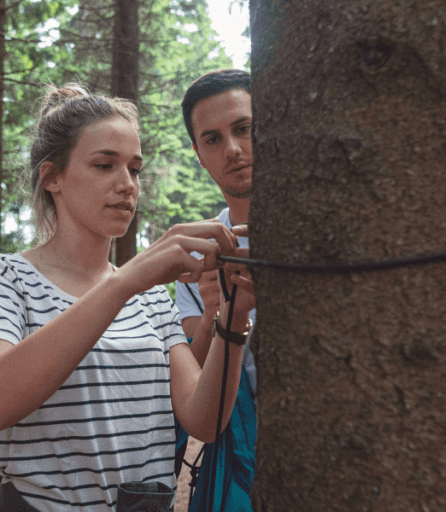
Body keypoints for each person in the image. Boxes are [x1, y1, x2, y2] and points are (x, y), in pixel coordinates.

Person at [0, 84, 255, 512]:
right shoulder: (6, 277)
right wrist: (124, 281)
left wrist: (232, 317)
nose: (127, 184)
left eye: (135, 168)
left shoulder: (150, 299)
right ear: (52, 176)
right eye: (104, 165)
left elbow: (202, 419)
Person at [172, 69, 256, 511]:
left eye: (244, 128)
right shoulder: (201, 255)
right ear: (199, 155)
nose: (234, 150)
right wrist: (214, 316)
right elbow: (195, 387)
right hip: (234, 479)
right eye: (213, 139)